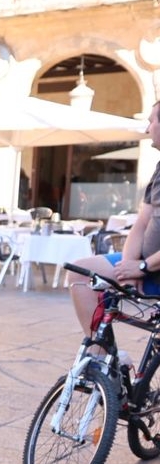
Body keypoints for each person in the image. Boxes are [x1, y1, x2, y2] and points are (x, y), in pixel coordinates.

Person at [67, 99, 160, 337]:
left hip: (150, 267)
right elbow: (141, 223)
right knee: (80, 270)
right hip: (146, 267)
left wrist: (141, 266)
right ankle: (100, 358)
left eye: (151, 122)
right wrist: (127, 271)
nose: (147, 129)